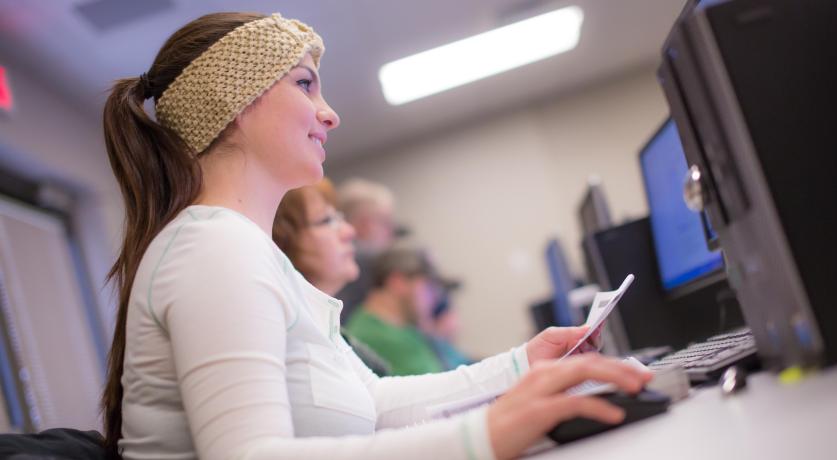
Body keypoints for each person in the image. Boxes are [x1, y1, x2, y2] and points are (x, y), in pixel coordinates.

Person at [101, 11, 651, 460]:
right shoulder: (212, 248)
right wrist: (482, 437)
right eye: (304, 84)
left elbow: (373, 400)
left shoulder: (245, 250)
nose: (330, 113)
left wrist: (520, 366)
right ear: (233, 102)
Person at [272, 178, 392, 375]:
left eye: (340, 218)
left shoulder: (329, 332)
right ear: (282, 238)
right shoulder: (289, 341)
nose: (349, 231)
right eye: (327, 220)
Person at [346, 246, 473, 375]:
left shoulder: (403, 329)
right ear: (398, 283)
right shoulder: (380, 338)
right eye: (428, 288)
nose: (433, 299)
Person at [335, 178, 401, 322]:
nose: (390, 230)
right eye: (384, 221)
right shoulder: (367, 263)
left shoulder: (332, 261)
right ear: (363, 223)